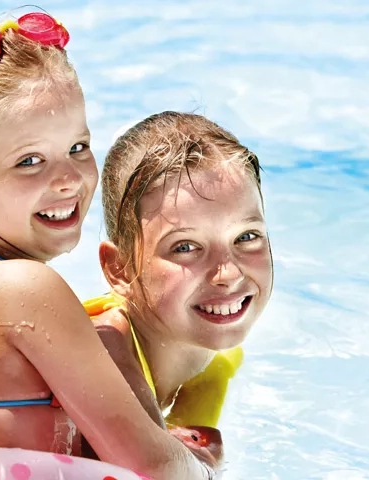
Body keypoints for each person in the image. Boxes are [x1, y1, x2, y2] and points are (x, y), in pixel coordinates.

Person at [0, 11, 215, 479]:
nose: (69, 178)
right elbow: (153, 471)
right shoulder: (26, 288)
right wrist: (201, 466)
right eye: (30, 161)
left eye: (78, 147)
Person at [83, 111, 274, 465]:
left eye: (246, 237)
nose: (228, 274)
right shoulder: (102, 354)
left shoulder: (218, 358)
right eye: (185, 246)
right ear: (120, 269)